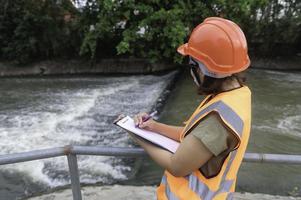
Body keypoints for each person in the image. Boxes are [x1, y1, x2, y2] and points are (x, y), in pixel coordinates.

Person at [130, 17, 251, 200]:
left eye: (192, 64)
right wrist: (154, 127)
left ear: (203, 69)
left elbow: (177, 166)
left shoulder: (218, 119)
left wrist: (137, 136)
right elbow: (193, 137)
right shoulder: (235, 95)